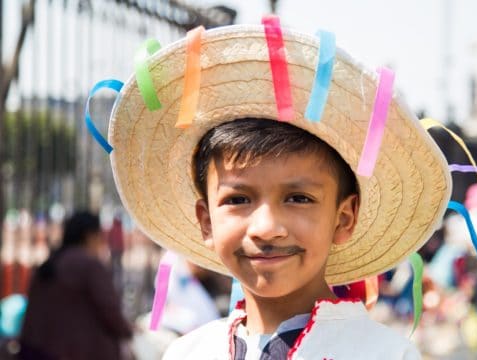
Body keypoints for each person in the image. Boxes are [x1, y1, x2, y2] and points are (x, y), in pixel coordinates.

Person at [106, 22, 451, 359]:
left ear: (343, 217)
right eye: (238, 199)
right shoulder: (187, 352)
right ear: (206, 220)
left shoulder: (386, 354)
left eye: (299, 198)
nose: (266, 228)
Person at [19, 211, 133, 360]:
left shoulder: (51, 262)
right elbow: (110, 311)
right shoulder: (89, 266)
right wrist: (128, 331)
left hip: (34, 350)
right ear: (90, 236)